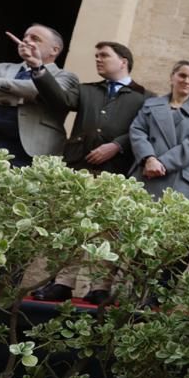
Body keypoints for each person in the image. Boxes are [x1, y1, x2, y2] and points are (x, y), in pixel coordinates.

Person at [31, 41, 150, 304]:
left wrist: (117, 145)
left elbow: (144, 130)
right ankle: (62, 283)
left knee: (107, 230)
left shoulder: (144, 97)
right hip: (78, 165)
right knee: (73, 225)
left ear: (123, 61)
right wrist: (39, 68)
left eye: (104, 55)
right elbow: (58, 98)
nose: (98, 59)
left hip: (115, 171)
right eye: (96, 55)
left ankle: (100, 287)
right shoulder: (85, 90)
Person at [0, 25, 78, 166]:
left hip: (30, 150)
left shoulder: (66, 76)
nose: (26, 41)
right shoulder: (2, 67)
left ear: (54, 50)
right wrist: (19, 97)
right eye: (25, 37)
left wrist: (0, 82)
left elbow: (41, 91)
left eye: (35, 39)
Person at [128, 60, 189, 200]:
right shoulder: (150, 105)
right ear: (172, 77)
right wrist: (149, 158)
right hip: (145, 172)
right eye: (182, 76)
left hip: (179, 181)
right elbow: (137, 131)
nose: (187, 81)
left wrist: (162, 164)